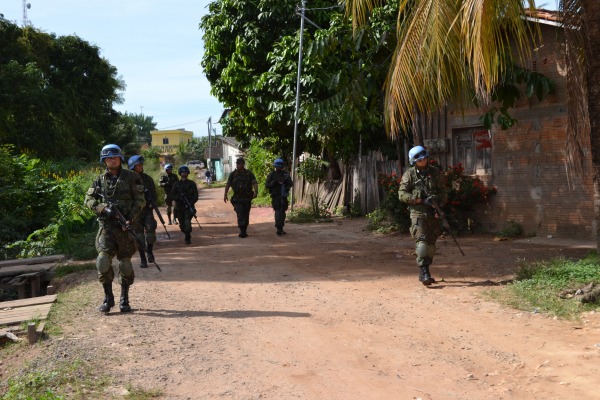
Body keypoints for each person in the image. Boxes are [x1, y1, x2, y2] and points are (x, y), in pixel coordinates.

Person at [84, 144, 145, 312]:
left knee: (125, 264)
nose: (112, 160)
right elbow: (88, 200)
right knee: (102, 261)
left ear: (121, 159)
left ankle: (124, 298)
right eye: (109, 157)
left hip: (125, 229)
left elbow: (140, 201)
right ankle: (108, 298)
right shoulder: (98, 180)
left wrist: (130, 219)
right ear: (104, 160)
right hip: (106, 228)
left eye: (115, 157)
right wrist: (103, 209)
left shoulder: (132, 177)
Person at [398, 145, 448, 286]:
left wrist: (438, 204)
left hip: (433, 213)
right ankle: (424, 272)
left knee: (431, 245)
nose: (423, 161)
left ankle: (427, 268)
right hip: (418, 212)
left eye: (425, 158)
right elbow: (402, 194)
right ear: (414, 161)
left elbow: (444, 192)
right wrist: (419, 200)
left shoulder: (436, 173)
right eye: (420, 160)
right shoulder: (409, 174)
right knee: (422, 244)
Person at [128, 155, 158, 269]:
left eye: (142, 164)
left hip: (147, 211)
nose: (141, 166)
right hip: (135, 213)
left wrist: (152, 203)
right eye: (139, 165)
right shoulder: (128, 179)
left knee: (150, 234)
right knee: (139, 237)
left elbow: (154, 194)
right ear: (133, 167)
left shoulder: (148, 179)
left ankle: (150, 252)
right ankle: (143, 259)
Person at [223, 158, 258, 238]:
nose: (239, 165)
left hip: (247, 198)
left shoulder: (249, 173)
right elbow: (228, 184)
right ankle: (242, 230)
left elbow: (254, 183)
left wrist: (256, 192)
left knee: (246, 214)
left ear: (243, 164)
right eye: (238, 163)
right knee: (240, 213)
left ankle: (244, 229)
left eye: (241, 163)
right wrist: (225, 195)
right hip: (237, 198)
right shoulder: (233, 174)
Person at [171, 165, 199, 244]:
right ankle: (186, 233)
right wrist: (178, 198)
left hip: (188, 207)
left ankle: (187, 236)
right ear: (180, 173)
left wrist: (190, 203)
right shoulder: (176, 184)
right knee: (182, 225)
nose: (184, 173)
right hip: (179, 207)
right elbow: (172, 195)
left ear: (188, 173)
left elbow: (195, 196)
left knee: (187, 222)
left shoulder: (191, 183)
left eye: (185, 172)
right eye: (182, 172)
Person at [265, 158, 293, 236]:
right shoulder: (272, 175)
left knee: (282, 212)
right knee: (278, 211)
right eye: (277, 167)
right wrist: (274, 182)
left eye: (280, 167)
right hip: (276, 196)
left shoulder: (285, 174)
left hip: (283, 196)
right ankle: (278, 228)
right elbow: (267, 185)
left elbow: (291, 183)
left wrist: (285, 186)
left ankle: (281, 228)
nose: (279, 168)